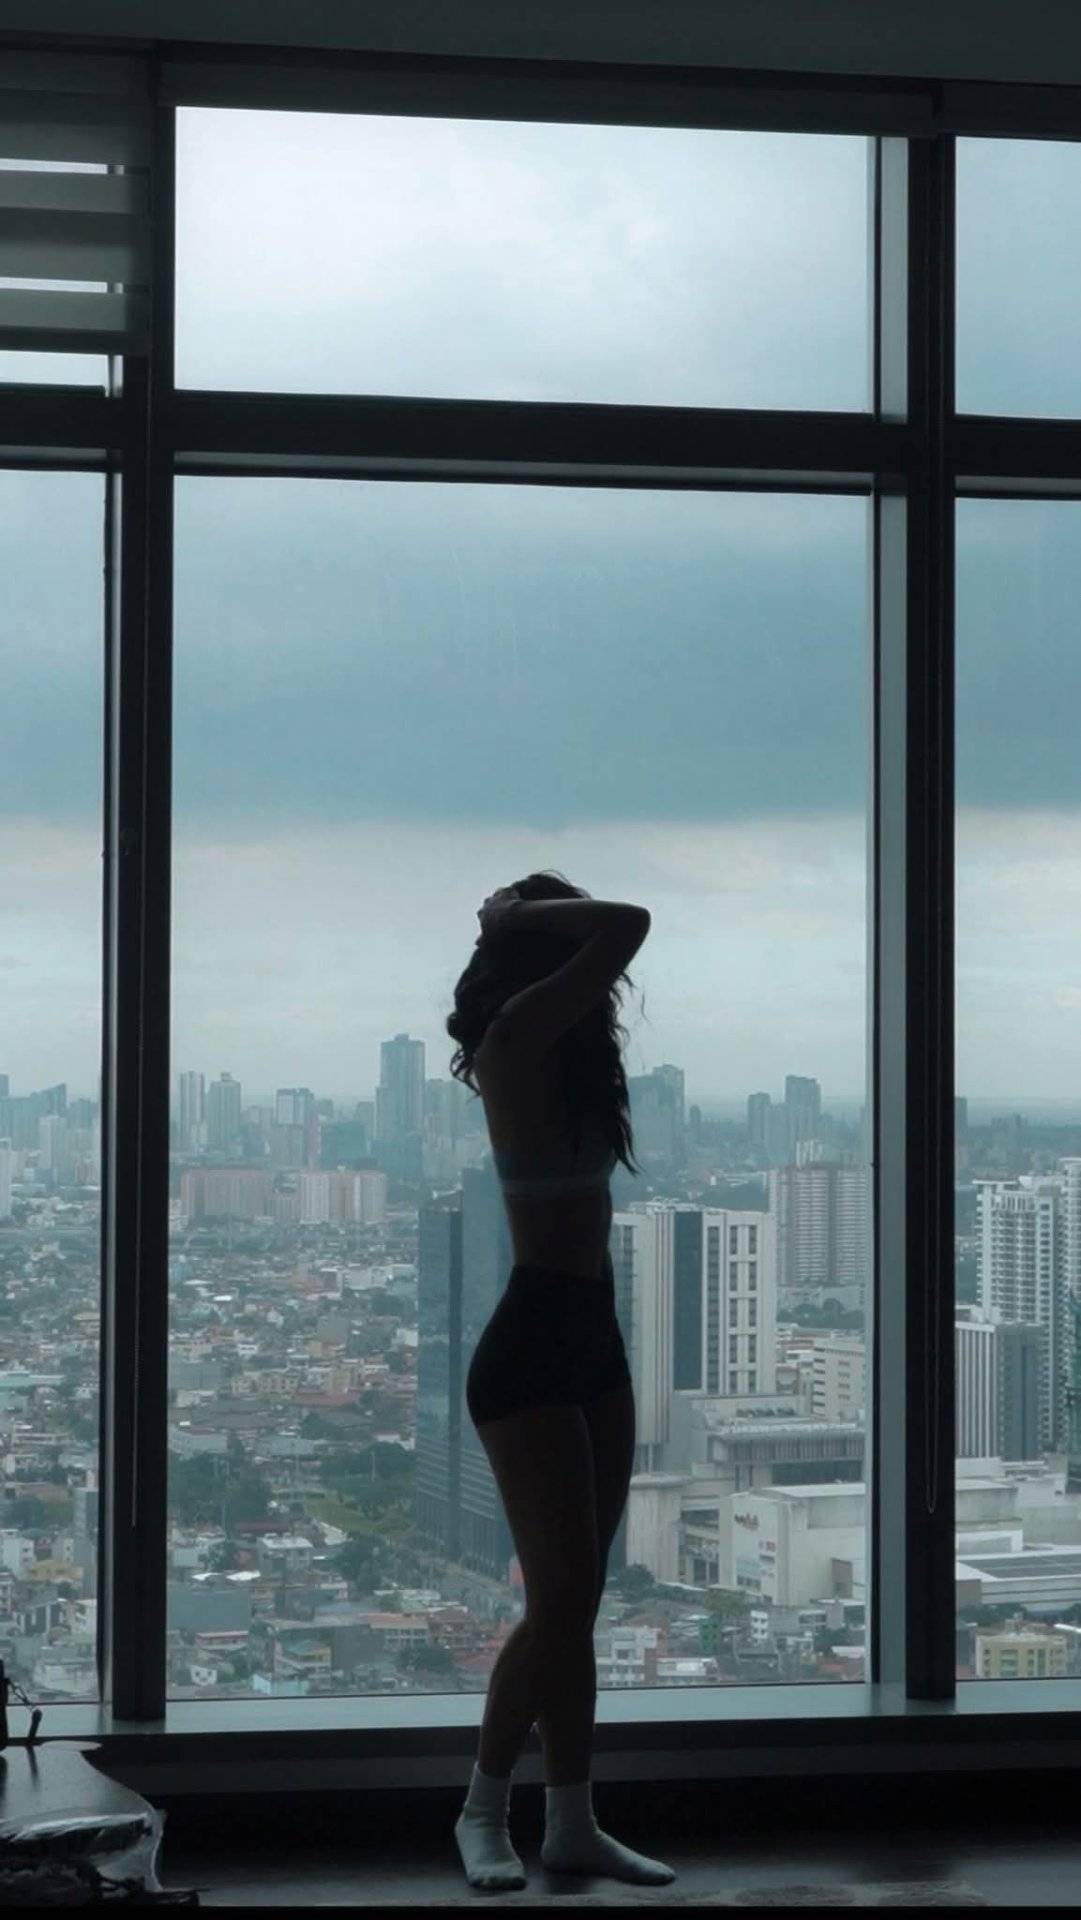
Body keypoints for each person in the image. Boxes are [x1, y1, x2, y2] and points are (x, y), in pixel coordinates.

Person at [445, 871, 676, 1893]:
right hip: (531, 1344)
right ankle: (482, 1813)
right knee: (557, 1599)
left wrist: (528, 919)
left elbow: (616, 936)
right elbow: (627, 925)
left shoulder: (571, 1057)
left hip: (592, 1339)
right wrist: (514, 916)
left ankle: (572, 1825)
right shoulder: (513, 1040)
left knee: (574, 1606)